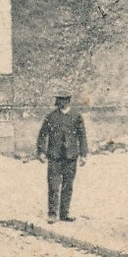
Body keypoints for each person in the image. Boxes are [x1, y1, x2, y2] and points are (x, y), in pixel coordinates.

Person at [36, 92, 87, 223]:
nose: (61, 102)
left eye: (64, 100)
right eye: (59, 100)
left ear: (68, 100)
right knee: (53, 186)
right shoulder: (51, 117)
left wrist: (83, 155)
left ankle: (64, 213)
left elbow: (82, 137)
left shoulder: (76, 116)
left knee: (67, 185)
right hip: (54, 157)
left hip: (71, 157)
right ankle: (52, 214)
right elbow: (42, 135)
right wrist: (41, 152)